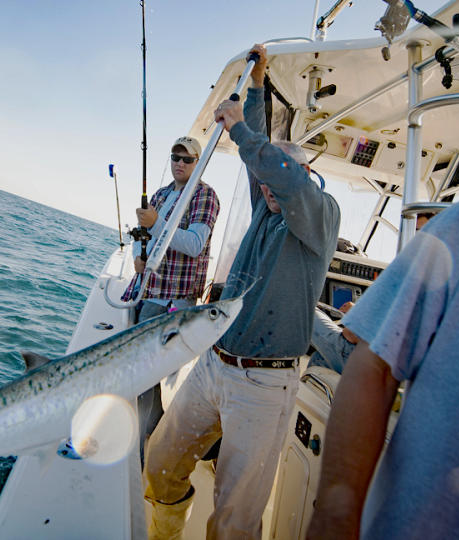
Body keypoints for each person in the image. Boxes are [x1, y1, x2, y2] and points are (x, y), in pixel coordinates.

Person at [143, 44, 340, 540]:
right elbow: (265, 169)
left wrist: (243, 133)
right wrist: (256, 87)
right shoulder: (268, 206)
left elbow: (277, 171)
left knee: (234, 522)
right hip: (214, 364)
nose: (266, 191)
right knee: (161, 462)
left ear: (303, 178)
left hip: (264, 386)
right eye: (263, 186)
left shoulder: (320, 215)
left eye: (276, 182)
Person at [307, 197, 459, 540]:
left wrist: (357, 314)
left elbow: (357, 339)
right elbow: (375, 365)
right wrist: (336, 520)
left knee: (312, 318)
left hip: (350, 346)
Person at [121, 135, 220, 452]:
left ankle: (146, 433)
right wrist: (138, 256)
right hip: (147, 289)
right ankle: (151, 425)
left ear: (198, 162)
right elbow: (143, 234)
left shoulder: (206, 197)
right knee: (141, 365)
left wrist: (158, 221)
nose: (179, 163)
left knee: (148, 368)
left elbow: (194, 245)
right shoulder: (161, 194)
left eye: (187, 159)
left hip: (174, 299)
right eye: (176, 157)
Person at [308, 301, 358, 373]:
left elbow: (351, 335)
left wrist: (354, 311)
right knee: (319, 358)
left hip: (351, 354)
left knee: (301, 305)